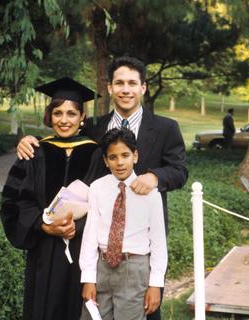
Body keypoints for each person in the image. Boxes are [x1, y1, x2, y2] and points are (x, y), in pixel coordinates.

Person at [16, 56, 188, 320]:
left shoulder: (165, 128)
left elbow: (180, 170)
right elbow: (63, 139)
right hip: (96, 243)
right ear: (109, 88)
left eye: (132, 83)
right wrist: (29, 140)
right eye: (119, 83)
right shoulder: (94, 129)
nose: (126, 89)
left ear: (143, 87)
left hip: (143, 243)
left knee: (144, 310)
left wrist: (155, 176)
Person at [0, 77, 100, 320]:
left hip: (82, 249)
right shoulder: (34, 152)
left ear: (81, 117)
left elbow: (105, 204)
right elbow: (14, 203)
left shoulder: (96, 153)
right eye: (57, 113)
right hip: (44, 249)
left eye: (71, 113)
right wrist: (43, 226)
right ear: (50, 116)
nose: (64, 120)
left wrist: (75, 227)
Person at [79, 128, 167, 320]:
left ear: (135, 156)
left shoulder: (150, 192)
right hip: (102, 267)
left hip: (134, 269)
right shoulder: (97, 188)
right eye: (113, 157)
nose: (119, 162)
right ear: (105, 160)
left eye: (125, 155)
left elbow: (158, 241)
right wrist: (88, 278)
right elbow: (90, 235)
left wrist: (156, 284)